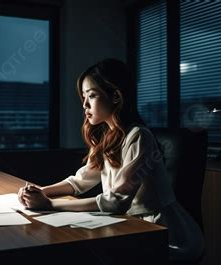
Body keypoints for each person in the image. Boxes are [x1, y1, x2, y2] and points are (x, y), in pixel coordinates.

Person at [18, 58, 204, 261]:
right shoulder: (108, 136)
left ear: (115, 96)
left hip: (161, 233)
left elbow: (116, 201)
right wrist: (39, 192)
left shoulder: (139, 136)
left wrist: (50, 205)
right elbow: (80, 182)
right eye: (83, 97)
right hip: (128, 224)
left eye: (92, 95)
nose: (84, 104)